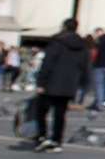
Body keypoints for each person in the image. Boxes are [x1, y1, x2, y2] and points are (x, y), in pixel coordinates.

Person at [32, 18, 92, 151]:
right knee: (60, 114)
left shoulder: (57, 42)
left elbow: (48, 63)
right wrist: (84, 86)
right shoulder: (83, 45)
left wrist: (41, 82)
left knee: (41, 111)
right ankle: (56, 140)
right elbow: (85, 67)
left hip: (51, 83)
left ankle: (42, 136)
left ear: (64, 27)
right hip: (69, 85)